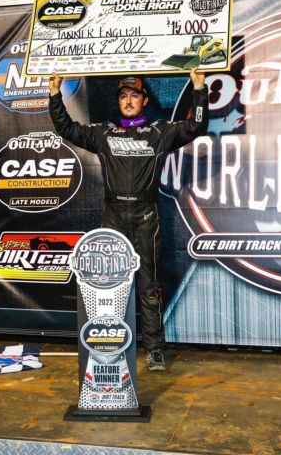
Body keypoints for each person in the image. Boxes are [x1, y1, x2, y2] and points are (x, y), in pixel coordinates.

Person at [49, 68, 208, 371]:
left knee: (148, 287)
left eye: (134, 95)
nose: (128, 100)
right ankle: (110, 347)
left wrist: (199, 89)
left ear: (144, 100)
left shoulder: (160, 132)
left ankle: (155, 349)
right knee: (108, 287)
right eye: (123, 96)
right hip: (113, 219)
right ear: (119, 102)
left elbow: (197, 125)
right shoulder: (104, 133)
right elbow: (66, 129)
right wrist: (55, 94)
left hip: (146, 218)